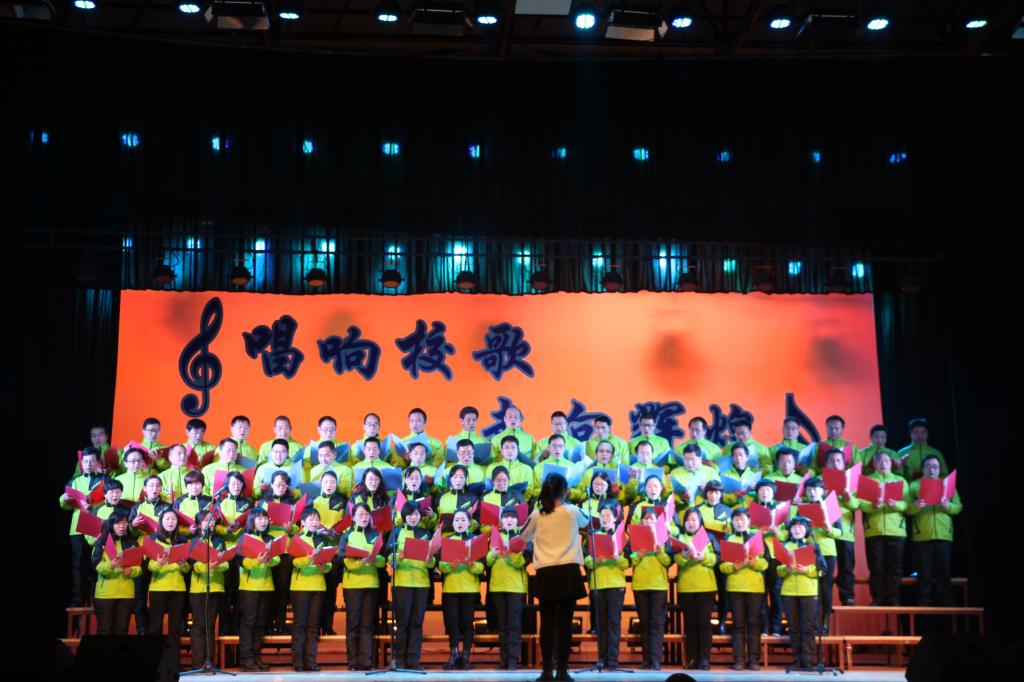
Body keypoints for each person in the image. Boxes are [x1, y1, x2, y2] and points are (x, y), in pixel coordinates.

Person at [519, 473, 589, 682]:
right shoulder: (572, 511)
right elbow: (587, 521)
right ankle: (562, 671)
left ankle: (547, 670)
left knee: (547, 623)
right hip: (568, 571)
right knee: (565, 624)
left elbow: (523, 535)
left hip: (546, 572)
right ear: (565, 490)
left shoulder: (536, 515)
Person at [908, 454, 962, 606]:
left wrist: (948, 506)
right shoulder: (914, 486)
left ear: (939, 469)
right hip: (922, 535)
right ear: (923, 468)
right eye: (928, 466)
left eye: (935, 467)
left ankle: (944, 601)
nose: (932, 470)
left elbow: (958, 507)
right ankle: (924, 601)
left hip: (944, 535)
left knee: (943, 571)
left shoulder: (947, 485)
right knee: (924, 572)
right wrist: (915, 506)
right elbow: (907, 508)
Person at [720, 507, 768, 672]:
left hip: (755, 588)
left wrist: (754, 563)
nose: (739, 522)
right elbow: (722, 566)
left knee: (754, 624)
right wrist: (733, 567)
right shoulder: (729, 539)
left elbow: (765, 563)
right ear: (732, 522)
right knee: (738, 624)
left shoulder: (757, 538)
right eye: (736, 519)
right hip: (735, 587)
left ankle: (754, 660)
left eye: (742, 519)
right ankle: (739, 660)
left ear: (749, 521)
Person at [389, 502, 434, 671]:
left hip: (421, 583)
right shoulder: (397, 532)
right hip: (402, 583)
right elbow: (389, 558)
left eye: (416, 514)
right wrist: (399, 557)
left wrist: (430, 560)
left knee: (417, 622)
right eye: (410, 515)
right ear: (404, 516)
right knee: (402, 624)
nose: (413, 517)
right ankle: (399, 659)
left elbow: (432, 563)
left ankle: (414, 659)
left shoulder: (426, 533)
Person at [583, 499, 627, 670]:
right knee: (601, 623)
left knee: (614, 623)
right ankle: (601, 658)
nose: (605, 518)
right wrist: (596, 559)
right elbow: (586, 560)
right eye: (602, 515)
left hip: (615, 585)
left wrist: (617, 558)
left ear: (615, 518)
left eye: (608, 515)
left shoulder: (621, 536)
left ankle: (613, 660)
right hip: (598, 584)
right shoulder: (593, 536)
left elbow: (627, 562)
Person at [777, 516, 826, 670]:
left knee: (808, 627)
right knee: (794, 627)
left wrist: (807, 570)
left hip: (808, 592)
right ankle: (797, 661)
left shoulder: (813, 546)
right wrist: (786, 569)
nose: (797, 529)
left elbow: (822, 570)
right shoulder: (785, 546)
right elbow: (778, 570)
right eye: (794, 527)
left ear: (806, 529)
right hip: (789, 592)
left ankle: (808, 661)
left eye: (800, 527)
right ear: (789, 530)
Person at [862, 450, 910, 605]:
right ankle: (877, 598)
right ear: (874, 464)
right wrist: (872, 505)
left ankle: (893, 598)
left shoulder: (900, 480)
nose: (883, 464)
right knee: (876, 567)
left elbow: (908, 504)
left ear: (891, 464)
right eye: (880, 461)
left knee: (895, 567)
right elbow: (860, 503)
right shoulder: (868, 480)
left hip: (896, 530)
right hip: (874, 530)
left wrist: (897, 505)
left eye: (887, 461)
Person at [674, 507, 719, 671]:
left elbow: (717, 558)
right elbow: (675, 559)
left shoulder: (709, 537)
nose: (691, 523)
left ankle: (704, 659)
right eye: (688, 520)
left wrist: (703, 557)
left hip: (706, 586)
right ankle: (692, 658)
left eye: (694, 520)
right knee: (690, 625)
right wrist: (684, 556)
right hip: (686, 587)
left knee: (704, 624)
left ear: (700, 522)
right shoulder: (680, 537)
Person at [438, 508, 484, 670]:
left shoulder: (476, 539)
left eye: (463, 520)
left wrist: (471, 564)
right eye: (457, 520)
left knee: (467, 623)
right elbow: (440, 566)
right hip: (450, 588)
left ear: (469, 522)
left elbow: (482, 567)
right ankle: (453, 654)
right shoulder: (447, 540)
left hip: (470, 588)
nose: (460, 523)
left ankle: (466, 657)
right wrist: (450, 565)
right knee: (452, 623)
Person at [486, 507, 531, 670]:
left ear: (518, 520)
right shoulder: (494, 536)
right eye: (506, 517)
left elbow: (523, 562)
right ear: (501, 520)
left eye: (512, 517)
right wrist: (494, 554)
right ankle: (503, 659)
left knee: (514, 625)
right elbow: (487, 561)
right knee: (502, 625)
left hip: (516, 587)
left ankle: (513, 660)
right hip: (497, 586)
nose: (509, 520)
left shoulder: (523, 538)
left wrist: (510, 555)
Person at [290, 506, 334, 672]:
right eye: (311, 519)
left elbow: (329, 564)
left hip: (318, 586)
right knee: (300, 624)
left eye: (317, 519)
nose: (315, 522)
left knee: (313, 625)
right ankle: (298, 662)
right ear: (303, 522)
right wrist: (307, 559)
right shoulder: (297, 539)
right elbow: (293, 562)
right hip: (300, 586)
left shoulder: (323, 540)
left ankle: (311, 660)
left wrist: (325, 566)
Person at [61, 447, 106, 607]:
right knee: (78, 565)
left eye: (92, 461)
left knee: (95, 563)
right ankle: (78, 601)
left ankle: (96, 600)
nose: (88, 464)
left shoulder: (104, 480)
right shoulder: (75, 480)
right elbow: (64, 505)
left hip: (96, 525)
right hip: (78, 528)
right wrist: (64, 499)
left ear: (97, 462)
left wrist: (92, 502)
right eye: (85, 461)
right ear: (82, 462)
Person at [237, 508, 280, 672]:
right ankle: (246, 660)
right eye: (259, 518)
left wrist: (269, 560)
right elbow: (241, 562)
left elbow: (277, 559)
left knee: (260, 624)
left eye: (265, 518)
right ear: (252, 520)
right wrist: (258, 561)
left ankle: (256, 657)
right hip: (249, 586)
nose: (263, 521)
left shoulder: (270, 539)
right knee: (249, 623)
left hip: (266, 586)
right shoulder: (245, 538)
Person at [630, 506, 671, 670]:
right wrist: (638, 555)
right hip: (640, 585)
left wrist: (659, 552)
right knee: (645, 624)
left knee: (657, 624)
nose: (648, 521)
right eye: (645, 518)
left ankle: (656, 660)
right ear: (641, 521)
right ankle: (646, 659)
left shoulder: (663, 537)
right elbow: (630, 560)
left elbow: (668, 562)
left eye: (651, 518)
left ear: (657, 521)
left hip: (658, 585)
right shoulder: (635, 536)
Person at [799, 477, 842, 631]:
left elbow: (839, 532)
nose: (812, 492)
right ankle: (814, 622)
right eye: (809, 489)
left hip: (827, 551)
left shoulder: (831, 506)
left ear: (822, 491)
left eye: (815, 489)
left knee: (825, 587)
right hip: (808, 550)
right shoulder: (801, 508)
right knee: (812, 588)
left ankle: (825, 623)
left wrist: (828, 529)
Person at [189, 509, 229, 667]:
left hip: (216, 587)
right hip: (199, 589)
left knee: (210, 626)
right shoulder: (194, 542)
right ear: (199, 525)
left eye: (212, 520)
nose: (210, 522)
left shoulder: (219, 542)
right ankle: (198, 661)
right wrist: (208, 566)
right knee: (199, 625)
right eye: (206, 520)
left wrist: (217, 565)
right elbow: (193, 565)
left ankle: (210, 661)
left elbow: (226, 563)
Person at [92, 510, 142, 634]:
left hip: (126, 594)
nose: (122, 526)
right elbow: (96, 565)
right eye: (118, 523)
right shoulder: (102, 542)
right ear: (111, 524)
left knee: (122, 630)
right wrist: (111, 565)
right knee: (105, 630)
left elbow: (140, 568)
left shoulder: (132, 543)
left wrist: (131, 571)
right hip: (105, 594)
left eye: (124, 523)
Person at [147, 507, 191, 649]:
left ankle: (173, 660)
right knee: (155, 626)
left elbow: (187, 569)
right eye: (167, 519)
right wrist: (159, 563)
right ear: (161, 521)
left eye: (173, 519)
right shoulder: (153, 540)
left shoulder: (183, 540)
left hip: (178, 588)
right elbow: (149, 567)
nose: (170, 522)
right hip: (158, 588)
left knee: (175, 628)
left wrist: (183, 564)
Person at [823, 448, 861, 606]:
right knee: (825, 567)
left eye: (838, 460)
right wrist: (823, 494)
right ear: (826, 463)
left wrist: (848, 498)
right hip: (825, 532)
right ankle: (824, 599)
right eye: (831, 460)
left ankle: (847, 597)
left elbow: (858, 504)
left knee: (846, 567)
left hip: (845, 531)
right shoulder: (818, 480)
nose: (835, 463)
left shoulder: (851, 481)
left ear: (844, 463)